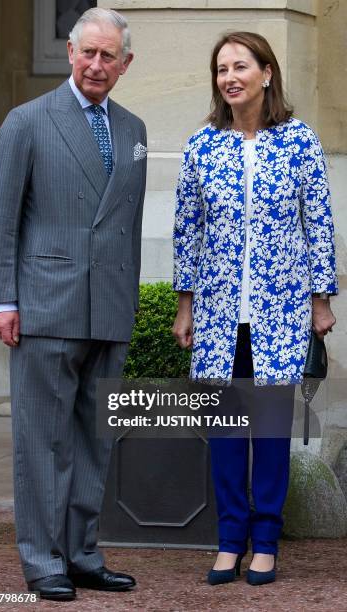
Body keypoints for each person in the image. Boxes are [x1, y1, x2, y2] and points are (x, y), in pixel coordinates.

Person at [0, 7, 147, 602]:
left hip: (108, 308)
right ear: (70, 54)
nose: (96, 65)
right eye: (88, 53)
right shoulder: (27, 121)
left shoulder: (133, 130)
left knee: (93, 441)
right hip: (45, 307)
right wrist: (3, 298)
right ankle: (42, 560)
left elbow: (125, 225)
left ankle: (82, 555)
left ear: (125, 64)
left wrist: (129, 300)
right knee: (42, 442)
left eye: (109, 56)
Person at [172, 31, 337, 586]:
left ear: (267, 73)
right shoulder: (202, 145)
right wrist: (184, 305)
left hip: (280, 312)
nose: (229, 77)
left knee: (268, 432)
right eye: (221, 68)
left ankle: (265, 542)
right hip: (219, 313)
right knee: (224, 434)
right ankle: (228, 541)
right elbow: (187, 231)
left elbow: (318, 222)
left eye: (240, 65)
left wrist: (321, 299)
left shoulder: (299, 141)